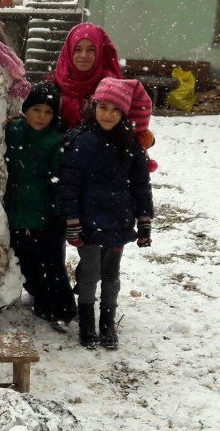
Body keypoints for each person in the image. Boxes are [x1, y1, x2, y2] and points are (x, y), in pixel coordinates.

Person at [59, 78, 154, 350]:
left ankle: (107, 320)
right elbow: (69, 186)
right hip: (88, 225)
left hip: (118, 224)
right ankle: (87, 318)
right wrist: (72, 220)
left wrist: (144, 221)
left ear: (123, 113)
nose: (108, 114)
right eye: (103, 107)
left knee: (112, 275)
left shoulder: (130, 145)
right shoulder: (80, 142)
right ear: (94, 107)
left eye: (115, 109)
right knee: (89, 273)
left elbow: (141, 186)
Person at [5, 82, 77, 330]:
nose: (42, 117)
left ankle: (65, 309)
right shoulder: (13, 131)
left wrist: (57, 215)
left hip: (45, 215)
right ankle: (41, 299)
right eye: (36, 109)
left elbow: (60, 181)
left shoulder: (55, 141)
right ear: (26, 109)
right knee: (26, 262)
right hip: (16, 212)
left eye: (48, 112)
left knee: (53, 263)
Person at [49, 22, 123, 130]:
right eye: (77, 49)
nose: (83, 55)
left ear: (99, 52)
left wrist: (143, 136)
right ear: (69, 51)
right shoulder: (55, 84)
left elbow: (126, 125)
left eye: (91, 50)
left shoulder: (111, 86)